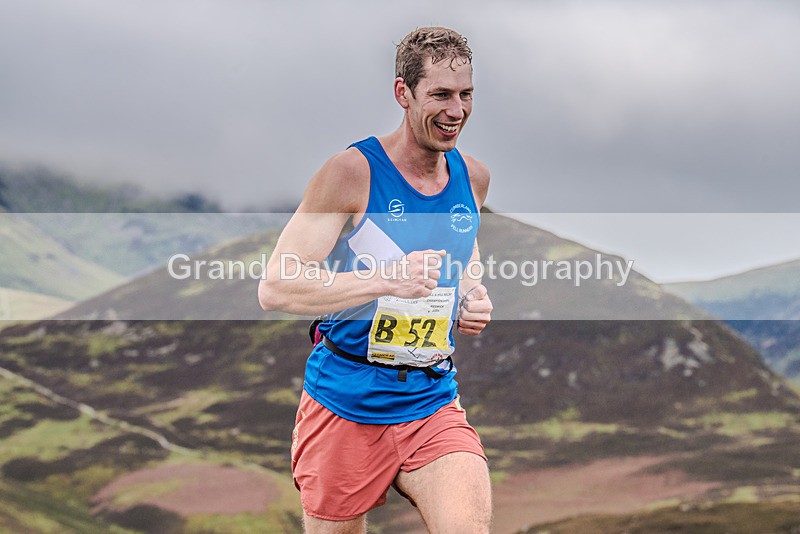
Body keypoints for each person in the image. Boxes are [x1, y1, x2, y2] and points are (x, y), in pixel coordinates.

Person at [258, 26, 493, 534]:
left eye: (466, 94)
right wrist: (384, 281)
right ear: (403, 93)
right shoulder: (352, 172)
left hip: (430, 397)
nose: (456, 110)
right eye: (441, 95)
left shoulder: (473, 178)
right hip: (345, 400)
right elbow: (276, 286)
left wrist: (471, 294)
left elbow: (465, 249)